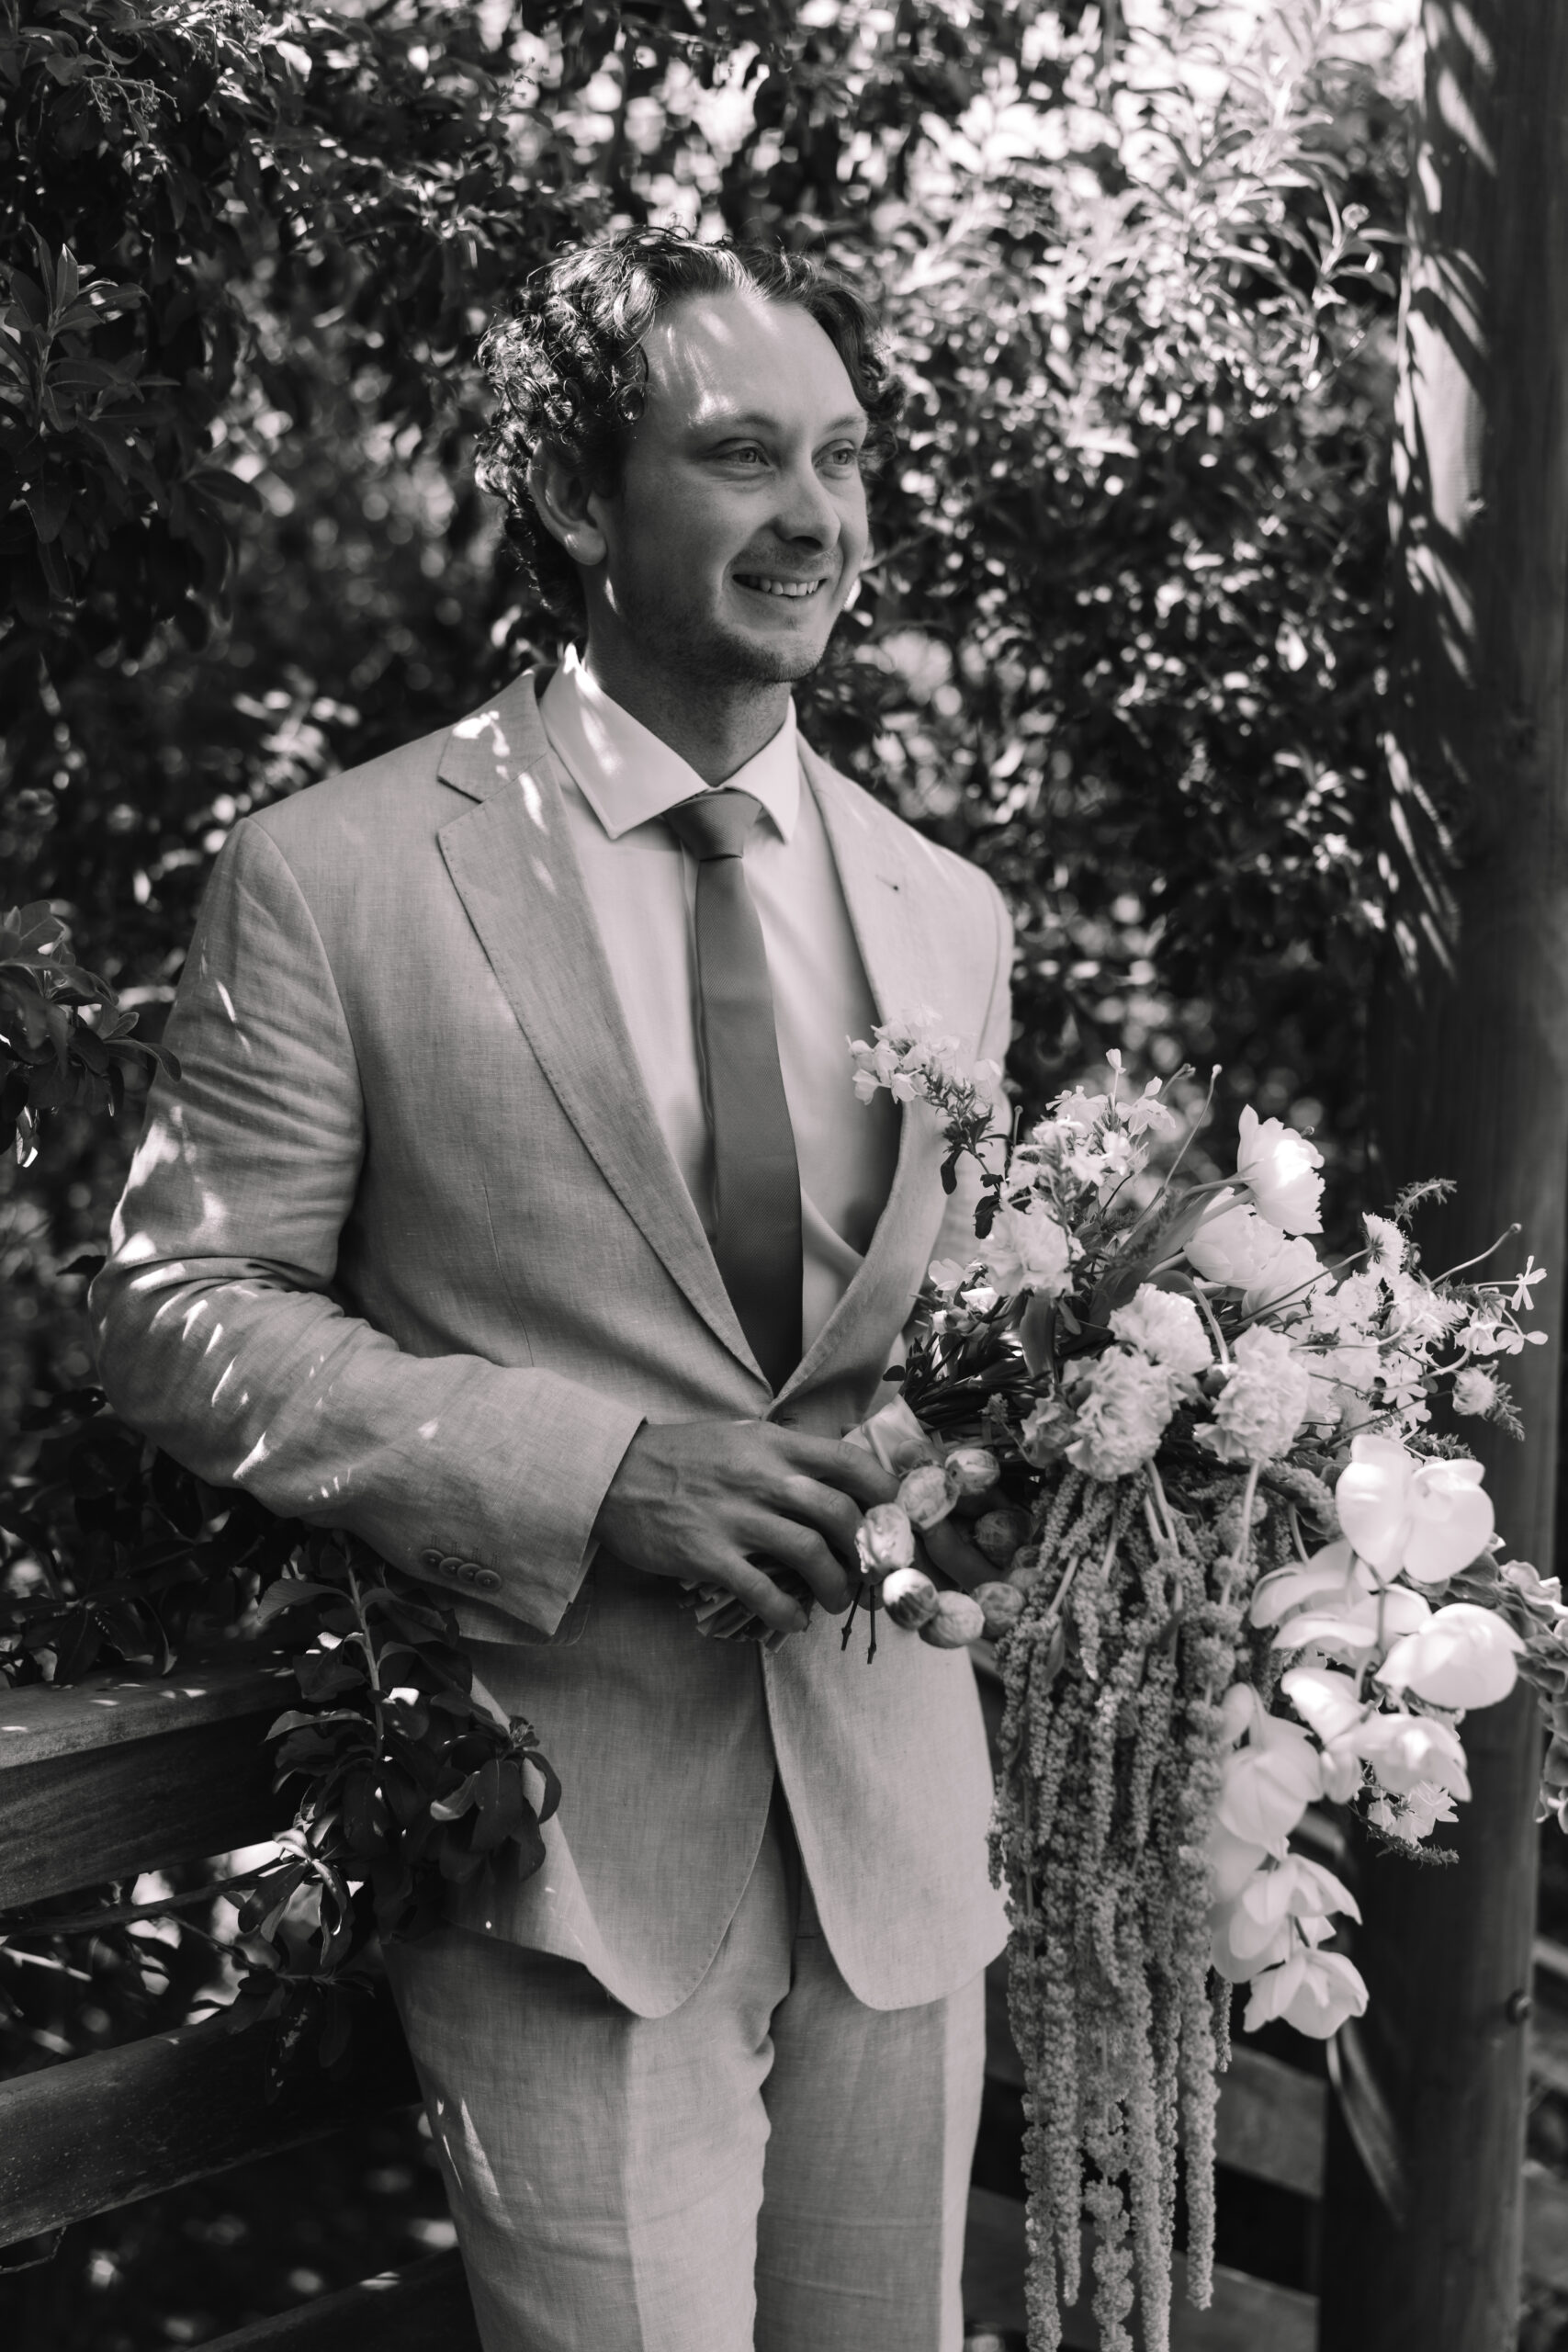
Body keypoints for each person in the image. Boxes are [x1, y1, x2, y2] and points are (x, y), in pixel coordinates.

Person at [92, 228, 1013, 2352]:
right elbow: (179, 1303)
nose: (816, 518)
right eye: (740, 456)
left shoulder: (940, 905)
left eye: (846, 458)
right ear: (576, 498)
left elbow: (942, 1326)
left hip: (899, 1828)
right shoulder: (334, 875)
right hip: (563, 1852)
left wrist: (1013, 1451)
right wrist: (594, 1471)